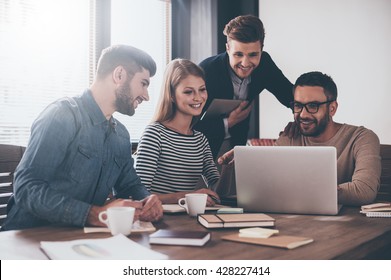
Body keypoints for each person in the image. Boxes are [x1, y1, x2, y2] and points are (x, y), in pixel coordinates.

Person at [2, 45, 163, 231]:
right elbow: (26, 188)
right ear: (119, 75)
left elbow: (129, 184)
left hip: (79, 239)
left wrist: (147, 199)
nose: (146, 96)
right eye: (143, 83)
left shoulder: (121, 135)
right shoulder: (61, 115)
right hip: (27, 238)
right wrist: (94, 214)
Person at [218, 71, 381, 206]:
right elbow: (268, 187)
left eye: (312, 106)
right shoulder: (290, 136)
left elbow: (363, 191)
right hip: (292, 224)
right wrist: (239, 165)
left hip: (346, 228)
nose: (303, 114)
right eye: (298, 106)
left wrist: (297, 193)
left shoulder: (362, 138)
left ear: (332, 108)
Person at [194, 14, 293, 159]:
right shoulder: (206, 71)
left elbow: (289, 94)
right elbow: (188, 123)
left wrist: (301, 117)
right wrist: (228, 122)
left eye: (253, 55)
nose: (245, 63)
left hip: (237, 146)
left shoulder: (265, 64)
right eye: (238, 54)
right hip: (200, 148)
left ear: (262, 49)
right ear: (228, 48)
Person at [135, 58, 220, 206]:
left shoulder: (200, 140)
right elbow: (139, 195)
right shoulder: (155, 134)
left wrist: (232, 167)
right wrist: (189, 196)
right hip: (159, 221)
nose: (198, 97)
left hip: (187, 219)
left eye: (202, 89)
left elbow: (216, 185)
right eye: (188, 92)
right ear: (172, 95)